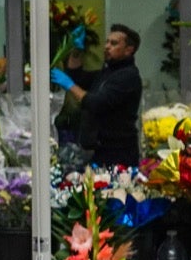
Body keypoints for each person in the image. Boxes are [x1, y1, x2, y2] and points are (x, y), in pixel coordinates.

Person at [51, 22, 143, 166]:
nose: (107, 47)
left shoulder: (128, 76)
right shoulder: (108, 72)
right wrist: (76, 50)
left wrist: (69, 85)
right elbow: (77, 77)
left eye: (114, 43)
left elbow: (96, 103)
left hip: (118, 154)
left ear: (128, 50)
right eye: (107, 42)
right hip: (99, 150)